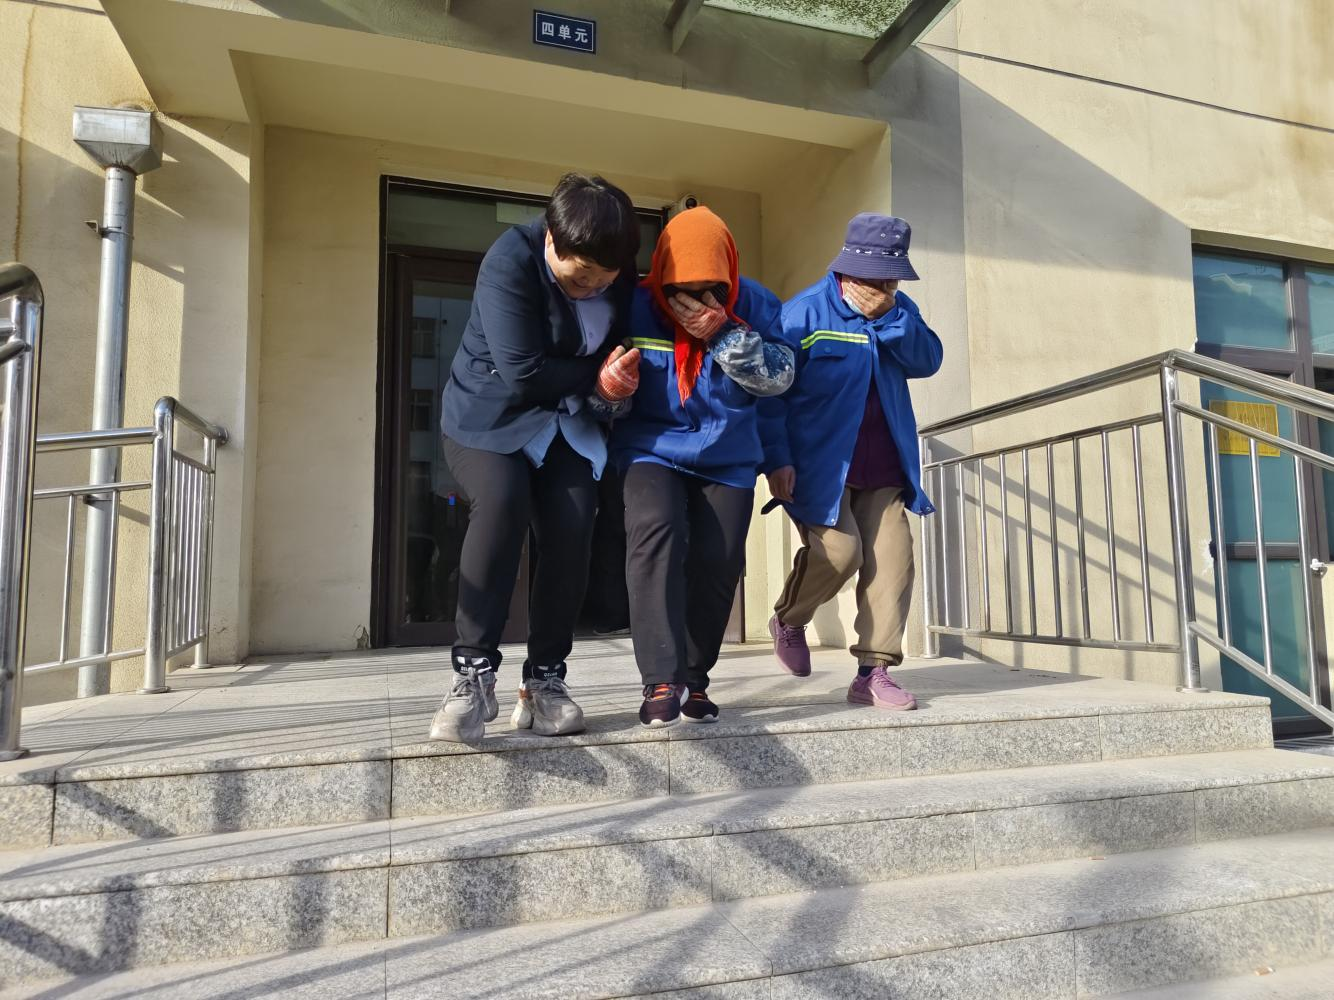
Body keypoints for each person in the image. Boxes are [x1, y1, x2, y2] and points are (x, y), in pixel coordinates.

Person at [432, 173, 644, 744]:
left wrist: (616, 379)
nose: (592, 286)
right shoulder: (509, 260)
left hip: (565, 421)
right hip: (489, 415)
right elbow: (523, 372)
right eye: (582, 273)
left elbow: (626, 344)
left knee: (573, 523)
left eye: (605, 277)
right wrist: (600, 376)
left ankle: (545, 681)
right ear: (552, 239)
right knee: (501, 504)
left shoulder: (617, 274)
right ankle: (473, 674)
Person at [612, 207, 795, 728]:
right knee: (656, 534)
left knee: (719, 563)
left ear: (729, 274)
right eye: (681, 289)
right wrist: (610, 388)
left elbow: (779, 383)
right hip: (651, 447)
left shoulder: (756, 304)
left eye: (711, 288)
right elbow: (601, 380)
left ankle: (694, 678)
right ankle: (660, 678)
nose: (695, 300)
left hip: (729, 454)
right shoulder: (633, 304)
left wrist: (725, 335)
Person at [759, 213, 943, 710]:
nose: (885, 288)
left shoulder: (899, 309)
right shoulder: (801, 315)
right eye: (877, 278)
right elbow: (770, 397)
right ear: (848, 269)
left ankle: (872, 673)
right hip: (821, 469)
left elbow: (928, 359)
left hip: (885, 466)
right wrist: (777, 460)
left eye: (893, 279)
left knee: (894, 562)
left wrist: (890, 318)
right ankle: (789, 619)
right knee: (841, 554)